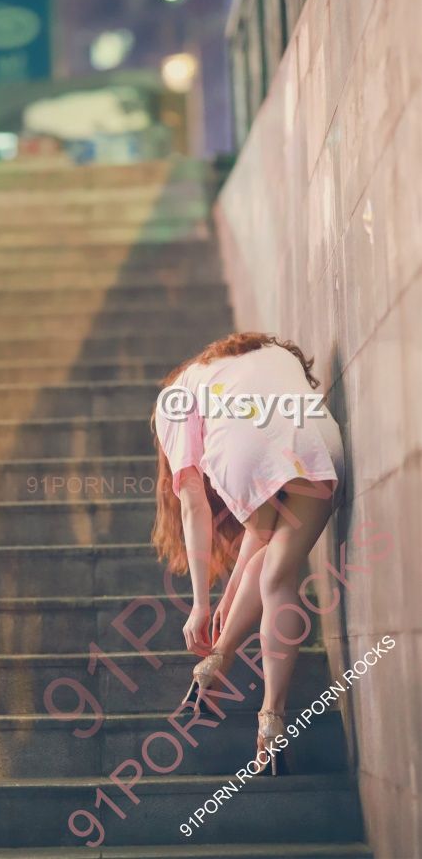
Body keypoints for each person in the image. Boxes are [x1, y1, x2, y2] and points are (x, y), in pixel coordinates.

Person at [150, 331, 345, 776]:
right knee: (277, 571)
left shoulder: (177, 394)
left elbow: (193, 504)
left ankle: (217, 661)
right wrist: (231, 591)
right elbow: (261, 532)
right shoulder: (274, 355)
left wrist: (201, 606)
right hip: (314, 441)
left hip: (244, 454)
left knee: (273, 561)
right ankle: (269, 716)